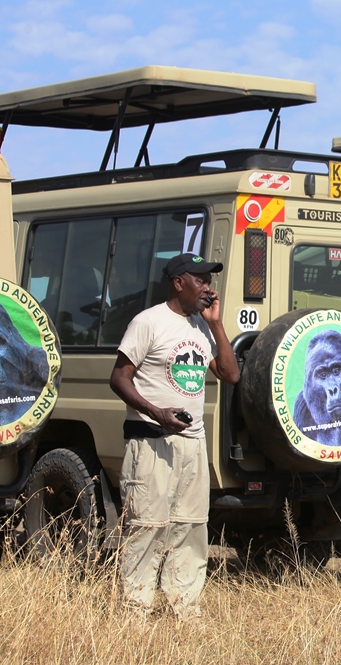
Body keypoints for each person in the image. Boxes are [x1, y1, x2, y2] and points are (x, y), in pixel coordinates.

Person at [109, 252, 239, 619]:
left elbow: (230, 375)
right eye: (200, 279)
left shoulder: (201, 327)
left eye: (209, 280)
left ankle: (185, 608)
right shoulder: (148, 322)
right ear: (179, 283)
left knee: (191, 526)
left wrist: (216, 325)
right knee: (147, 526)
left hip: (192, 443)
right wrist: (156, 413)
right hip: (152, 441)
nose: (208, 287)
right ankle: (135, 611)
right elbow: (118, 378)